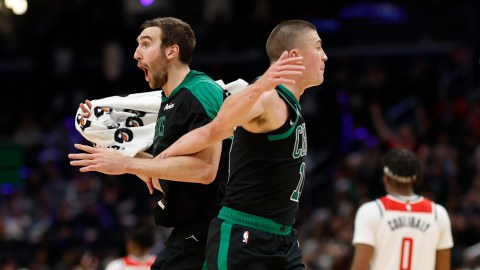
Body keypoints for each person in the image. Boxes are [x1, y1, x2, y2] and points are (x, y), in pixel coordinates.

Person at [69, 17, 305, 269]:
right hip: (193, 228)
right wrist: (113, 150)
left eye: (145, 44)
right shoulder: (170, 100)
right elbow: (170, 179)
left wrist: (127, 164)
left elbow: (204, 171)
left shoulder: (200, 91)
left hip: (212, 228)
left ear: (172, 50)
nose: (136, 54)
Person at [157, 19, 327, 269]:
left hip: (283, 237)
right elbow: (220, 123)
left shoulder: (289, 102)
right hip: (245, 234)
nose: (325, 56)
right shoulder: (268, 96)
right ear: (294, 56)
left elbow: (209, 131)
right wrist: (162, 160)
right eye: (318, 47)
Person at [351, 148, 454, 270]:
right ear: (416, 179)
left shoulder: (371, 211)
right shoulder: (438, 213)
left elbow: (360, 267)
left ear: (386, 177)